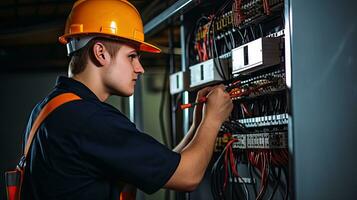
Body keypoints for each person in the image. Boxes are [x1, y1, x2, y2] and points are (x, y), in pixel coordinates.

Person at [20, 0, 233, 199]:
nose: (140, 69)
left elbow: (171, 169)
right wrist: (213, 119)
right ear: (100, 53)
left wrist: (198, 125)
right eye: (132, 56)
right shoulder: (89, 119)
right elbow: (188, 177)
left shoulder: (50, 109)